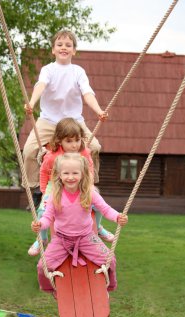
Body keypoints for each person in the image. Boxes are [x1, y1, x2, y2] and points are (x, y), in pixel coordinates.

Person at [31, 153, 128, 295]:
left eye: (75, 173)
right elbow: (47, 218)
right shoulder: (55, 195)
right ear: (59, 174)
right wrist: (40, 224)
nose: (70, 177)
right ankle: (50, 288)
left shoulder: (89, 193)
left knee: (110, 260)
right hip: (61, 239)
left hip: (86, 237)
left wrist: (118, 217)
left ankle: (108, 286)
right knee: (42, 266)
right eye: (66, 173)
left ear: (82, 174)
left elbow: (105, 209)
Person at [23, 29, 107, 192]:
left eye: (68, 45)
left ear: (73, 50)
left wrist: (99, 111)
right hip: (49, 120)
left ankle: (90, 181)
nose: (64, 47)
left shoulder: (78, 71)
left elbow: (87, 92)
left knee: (95, 146)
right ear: (53, 49)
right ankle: (33, 186)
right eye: (59, 44)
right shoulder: (48, 70)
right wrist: (32, 102)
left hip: (74, 121)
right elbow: (41, 85)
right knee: (28, 151)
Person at [28, 117, 114, 256]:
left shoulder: (84, 152)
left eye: (77, 140)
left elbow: (90, 168)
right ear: (59, 140)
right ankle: (42, 238)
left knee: (98, 204)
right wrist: (44, 191)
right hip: (55, 185)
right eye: (69, 141)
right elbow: (44, 172)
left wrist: (88, 186)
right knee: (42, 211)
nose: (74, 145)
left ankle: (97, 227)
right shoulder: (51, 156)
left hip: (80, 184)